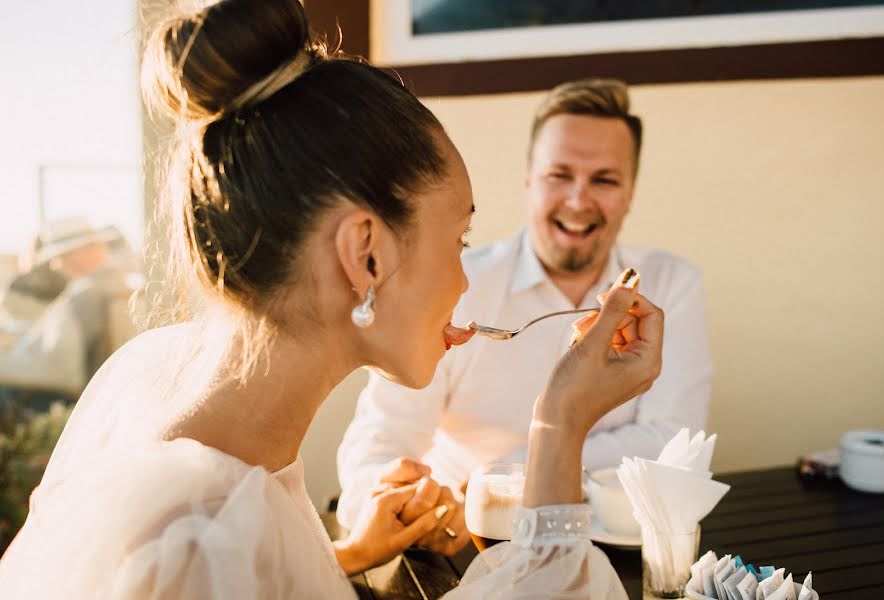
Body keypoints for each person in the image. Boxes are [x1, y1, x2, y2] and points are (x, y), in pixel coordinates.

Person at [0, 1, 663, 598]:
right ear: (364, 252)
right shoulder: (194, 540)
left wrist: (344, 555)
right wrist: (559, 425)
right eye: (458, 238)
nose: (465, 279)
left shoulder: (156, 370)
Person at [336, 78, 713, 547]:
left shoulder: (671, 285)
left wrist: (513, 469)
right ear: (529, 179)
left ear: (631, 192)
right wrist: (401, 502)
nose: (578, 201)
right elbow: (378, 443)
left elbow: (674, 444)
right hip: (463, 538)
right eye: (559, 174)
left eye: (605, 179)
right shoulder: (458, 283)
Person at [0, 218, 136, 401]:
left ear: (79, 253)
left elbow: (57, 369)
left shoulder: (85, 295)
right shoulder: (111, 288)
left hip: (52, 397)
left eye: (59, 257)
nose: (55, 265)